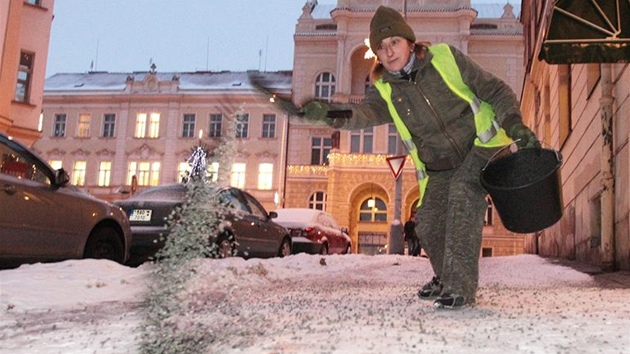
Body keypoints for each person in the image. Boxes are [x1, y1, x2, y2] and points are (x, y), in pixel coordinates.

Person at [302, 6, 540, 309]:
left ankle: (461, 288)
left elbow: (496, 89)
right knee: (426, 222)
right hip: (440, 164)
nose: (388, 52)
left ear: (410, 42)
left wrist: (514, 123)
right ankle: (446, 277)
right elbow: (362, 113)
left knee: (463, 194)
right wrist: (330, 114)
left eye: (394, 43)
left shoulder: (445, 58)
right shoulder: (386, 88)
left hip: (481, 145)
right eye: (381, 48)